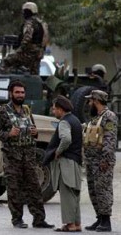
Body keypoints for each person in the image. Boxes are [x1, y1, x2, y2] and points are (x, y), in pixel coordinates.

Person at [0, 80, 53, 229]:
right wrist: (8, 134)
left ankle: (39, 219)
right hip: (12, 157)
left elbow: (32, 128)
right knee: (14, 189)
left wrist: (35, 133)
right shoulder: (3, 111)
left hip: (29, 156)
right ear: (11, 94)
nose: (20, 95)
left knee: (34, 188)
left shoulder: (26, 110)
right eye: (17, 92)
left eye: (22, 92)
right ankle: (17, 219)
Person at [43, 96, 83, 232]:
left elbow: (66, 139)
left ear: (60, 109)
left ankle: (70, 224)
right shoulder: (76, 120)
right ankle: (76, 224)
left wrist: (57, 152)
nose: (53, 112)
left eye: (54, 109)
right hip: (75, 162)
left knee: (66, 195)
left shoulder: (64, 122)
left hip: (66, 163)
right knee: (73, 195)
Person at [83, 90, 118, 232]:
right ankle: (99, 218)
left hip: (102, 161)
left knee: (103, 190)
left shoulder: (109, 116)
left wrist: (105, 159)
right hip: (91, 160)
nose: (89, 103)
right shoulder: (95, 117)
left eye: (90, 101)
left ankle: (106, 221)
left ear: (96, 101)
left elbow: (110, 140)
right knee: (93, 190)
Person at [1, 2, 48, 75]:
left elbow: (27, 38)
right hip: (38, 54)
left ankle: (5, 82)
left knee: (6, 61)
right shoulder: (42, 23)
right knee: (34, 74)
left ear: (29, 12)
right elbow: (45, 39)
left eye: (25, 12)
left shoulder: (29, 23)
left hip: (28, 53)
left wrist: (19, 49)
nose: (23, 14)